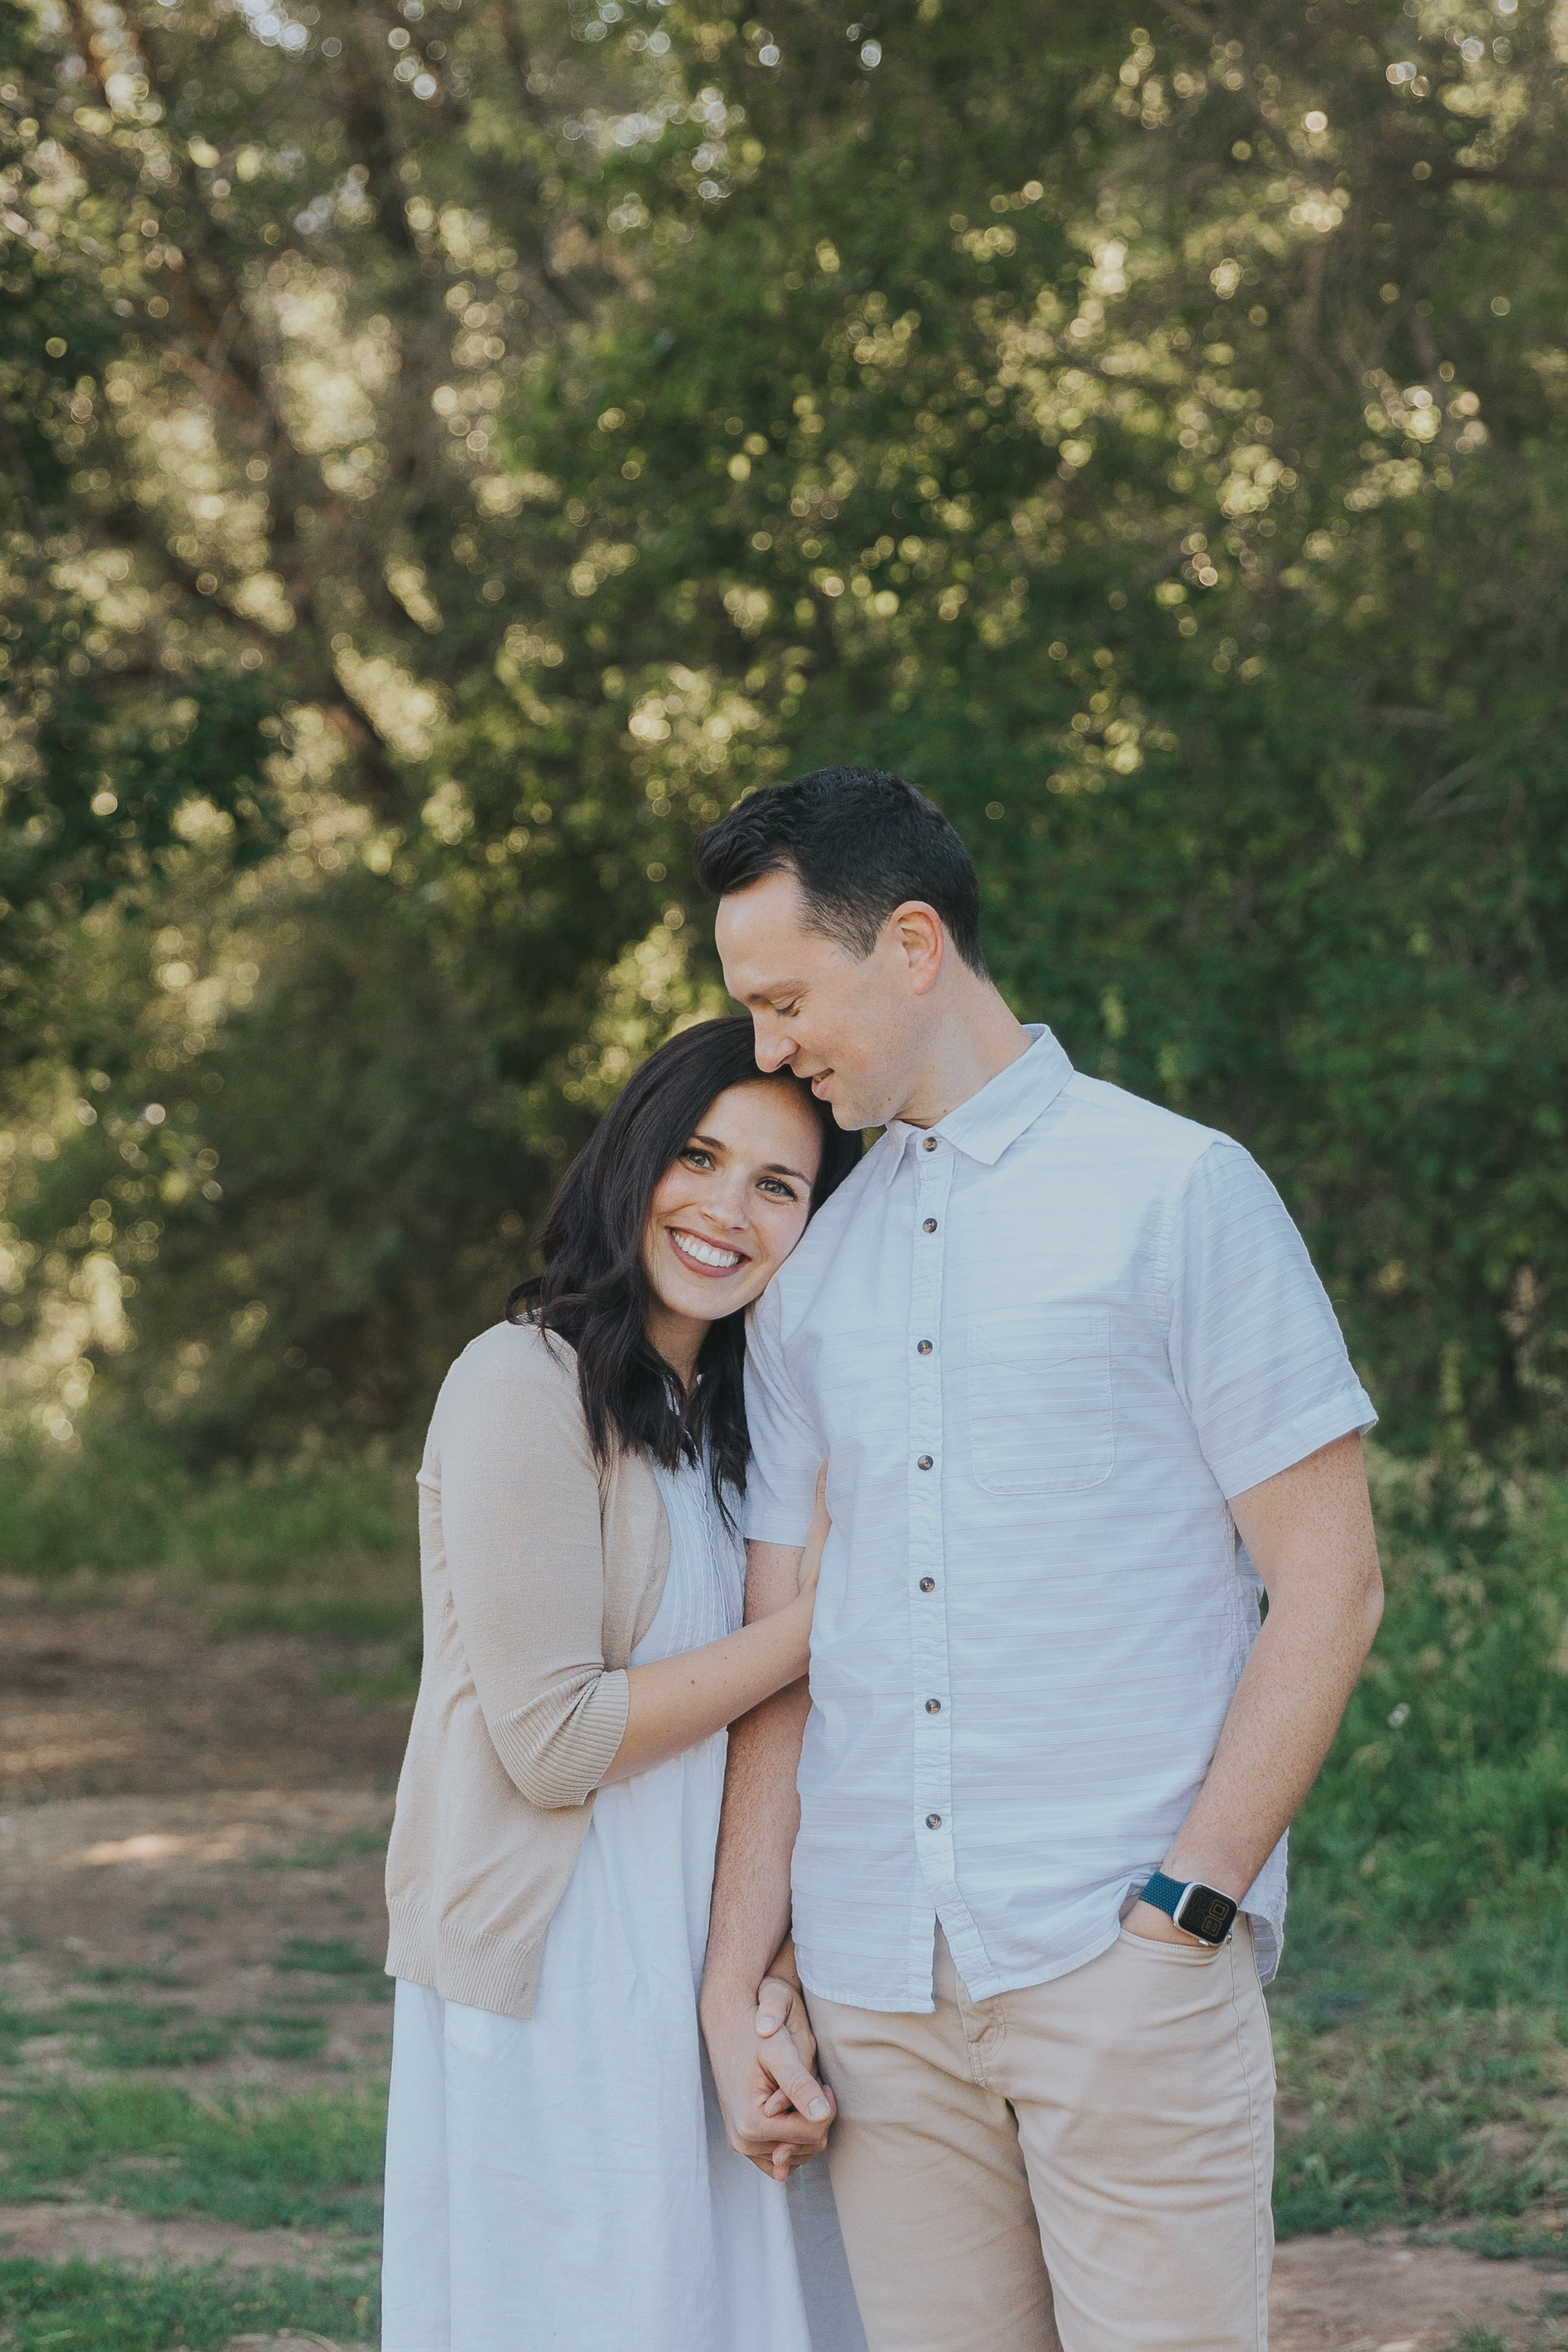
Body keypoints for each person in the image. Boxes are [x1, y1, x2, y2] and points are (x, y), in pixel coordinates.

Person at [694, 769, 1385, 2352]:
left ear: (914, 945)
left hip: (1118, 1958)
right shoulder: (813, 1264)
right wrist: (749, 1981)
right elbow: (785, 1646)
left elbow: (1331, 1576)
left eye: (788, 998)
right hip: (879, 1984)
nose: (769, 1047)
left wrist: (1189, 1905)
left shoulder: (1178, 1192)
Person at [379, 1015, 867, 2352]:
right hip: (562, 1968)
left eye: (778, 1185)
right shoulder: (519, 1382)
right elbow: (554, 1737)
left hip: (713, 1956)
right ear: (633, 1156)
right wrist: (828, 1623)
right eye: (699, 1156)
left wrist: (756, 1973)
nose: (727, 1209)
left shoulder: (745, 1428)